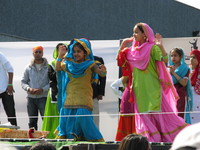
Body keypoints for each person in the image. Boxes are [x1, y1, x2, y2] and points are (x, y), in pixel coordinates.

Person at [117, 22, 189, 142]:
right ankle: (149, 140)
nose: (133, 34)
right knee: (143, 115)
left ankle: (160, 140)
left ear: (144, 34)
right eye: (133, 32)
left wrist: (160, 46)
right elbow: (120, 61)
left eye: (136, 32)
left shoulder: (152, 48)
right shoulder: (131, 51)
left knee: (158, 115)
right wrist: (123, 45)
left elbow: (165, 59)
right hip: (139, 89)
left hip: (152, 88)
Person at [55, 38, 106, 141]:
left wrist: (103, 71)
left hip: (84, 97)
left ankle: (95, 140)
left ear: (85, 52)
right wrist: (60, 55)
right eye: (74, 52)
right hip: (70, 97)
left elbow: (101, 73)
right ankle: (72, 141)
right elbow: (58, 67)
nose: (76, 54)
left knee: (83, 117)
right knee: (70, 120)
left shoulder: (90, 64)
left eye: (79, 51)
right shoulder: (69, 64)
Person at [42, 43, 68, 138]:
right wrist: (59, 64)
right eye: (61, 49)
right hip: (55, 94)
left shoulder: (70, 63)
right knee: (54, 115)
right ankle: (51, 136)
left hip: (68, 94)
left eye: (65, 48)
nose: (63, 50)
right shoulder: (52, 64)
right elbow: (51, 77)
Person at [21, 46, 49, 130]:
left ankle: (47, 137)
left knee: (46, 119)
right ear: (33, 53)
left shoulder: (48, 67)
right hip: (31, 98)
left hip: (43, 98)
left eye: (40, 52)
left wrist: (43, 89)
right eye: (36, 52)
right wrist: (29, 89)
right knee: (32, 121)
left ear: (42, 53)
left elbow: (51, 83)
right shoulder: (28, 68)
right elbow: (23, 82)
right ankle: (33, 138)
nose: (38, 54)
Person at [168, 48, 193, 123]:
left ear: (181, 56)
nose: (173, 58)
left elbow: (184, 83)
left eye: (175, 55)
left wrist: (174, 73)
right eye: (171, 56)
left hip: (181, 96)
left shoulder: (185, 68)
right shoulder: (168, 69)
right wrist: (170, 72)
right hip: (171, 96)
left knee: (180, 116)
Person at [111, 76, 135, 141]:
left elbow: (113, 86)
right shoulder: (128, 75)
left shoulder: (128, 75)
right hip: (133, 103)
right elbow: (113, 86)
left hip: (128, 103)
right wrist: (122, 96)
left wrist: (122, 96)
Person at [0, 52, 17, 126]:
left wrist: (10, 84)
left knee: (11, 114)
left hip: (6, 89)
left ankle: (14, 133)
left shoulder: (0, 55)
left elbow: (10, 69)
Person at [92, 55, 106, 129]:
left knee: (95, 117)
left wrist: (101, 93)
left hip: (94, 93)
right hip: (79, 94)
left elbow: (103, 77)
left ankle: (96, 137)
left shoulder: (98, 59)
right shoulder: (74, 59)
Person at [190, 49, 200, 124]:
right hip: (191, 100)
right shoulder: (189, 71)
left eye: (194, 57)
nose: (191, 59)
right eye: (190, 57)